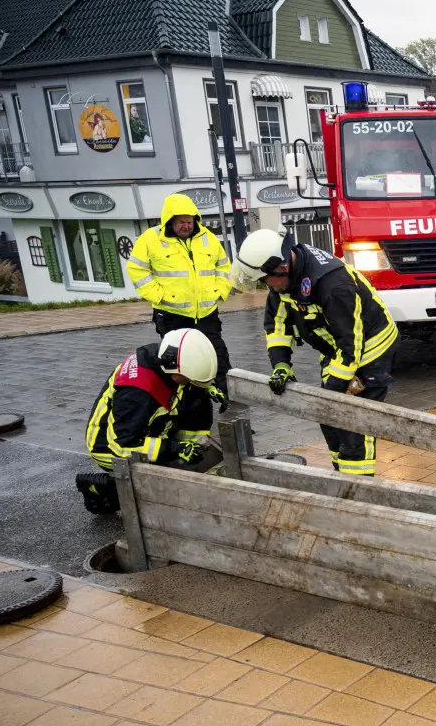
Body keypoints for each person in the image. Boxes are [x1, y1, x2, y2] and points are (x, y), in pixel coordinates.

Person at [232, 229, 398, 477]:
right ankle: (341, 475)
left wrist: (335, 387)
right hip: (336, 348)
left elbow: (350, 344)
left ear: (282, 269)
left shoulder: (333, 284)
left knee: (352, 421)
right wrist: (281, 365)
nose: (264, 286)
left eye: (263, 280)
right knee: (328, 416)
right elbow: (277, 326)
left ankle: (359, 490)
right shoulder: (283, 281)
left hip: (371, 348)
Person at [76, 328, 220, 514]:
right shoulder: (137, 395)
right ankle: (103, 488)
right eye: (187, 378)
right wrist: (175, 449)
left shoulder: (165, 356)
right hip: (112, 447)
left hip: (142, 427)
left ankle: (186, 461)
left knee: (198, 398)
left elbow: (186, 382)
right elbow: (123, 446)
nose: (187, 381)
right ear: (173, 369)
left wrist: (206, 387)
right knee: (160, 488)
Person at [126, 192, 233, 404]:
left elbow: (223, 265)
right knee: (178, 362)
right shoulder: (150, 239)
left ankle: (227, 396)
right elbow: (137, 269)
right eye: (181, 222)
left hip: (206, 313)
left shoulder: (207, 238)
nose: (186, 226)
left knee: (217, 354)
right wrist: (158, 295)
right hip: (172, 314)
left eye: (190, 221)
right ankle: (182, 402)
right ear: (170, 221)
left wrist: (220, 291)